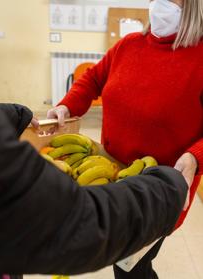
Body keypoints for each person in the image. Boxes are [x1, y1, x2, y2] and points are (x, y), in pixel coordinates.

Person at [47, 0, 203, 278]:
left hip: (159, 188)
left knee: (129, 269)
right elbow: (92, 79)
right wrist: (67, 106)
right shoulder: (129, 45)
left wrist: (195, 157)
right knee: (128, 265)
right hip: (111, 172)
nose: (160, 3)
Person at [0, 96, 188, 275]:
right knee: (130, 265)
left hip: (167, 177)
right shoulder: (124, 49)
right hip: (160, 186)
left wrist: (12, 114)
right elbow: (72, 222)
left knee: (135, 264)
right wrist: (168, 190)